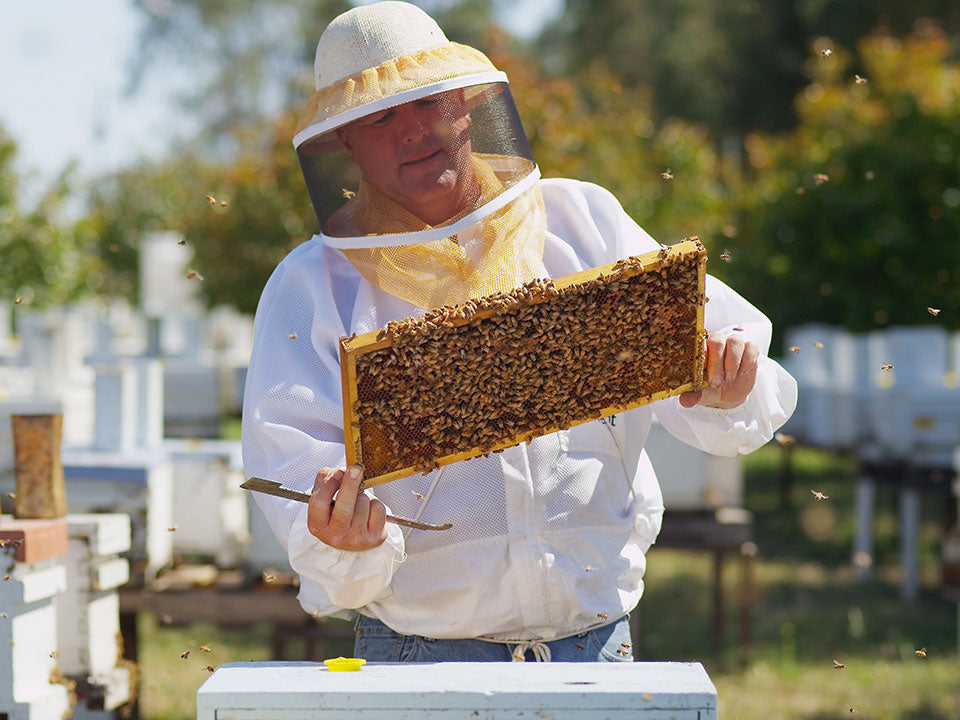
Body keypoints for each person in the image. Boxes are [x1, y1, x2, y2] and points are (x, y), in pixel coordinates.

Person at [242, 0, 797, 663]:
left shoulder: (582, 220)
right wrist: (341, 540)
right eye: (381, 117)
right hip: (421, 655)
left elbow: (739, 375)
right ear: (347, 144)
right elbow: (295, 466)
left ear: (465, 104)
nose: (414, 131)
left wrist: (729, 384)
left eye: (426, 102)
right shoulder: (313, 286)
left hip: (597, 643)